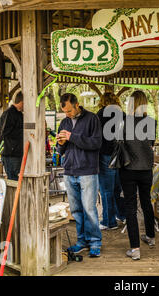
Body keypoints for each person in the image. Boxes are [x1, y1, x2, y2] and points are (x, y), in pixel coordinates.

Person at [56, 93, 103, 257]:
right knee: (76, 211)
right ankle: (82, 241)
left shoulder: (92, 119)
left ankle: (95, 242)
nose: (67, 114)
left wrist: (72, 136)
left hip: (88, 171)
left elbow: (96, 143)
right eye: (65, 111)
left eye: (69, 111)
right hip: (69, 171)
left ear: (77, 105)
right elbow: (60, 149)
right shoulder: (64, 122)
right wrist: (61, 144)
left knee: (89, 209)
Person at [119, 90, 156, 261]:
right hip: (146, 169)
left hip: (128, 169)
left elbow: (117, 143)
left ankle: (135, 249)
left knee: (131, 207)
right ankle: (150, 236)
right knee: (147, 201)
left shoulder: (123, 122)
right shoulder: (151, 122)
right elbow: (152, 143)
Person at [97, 92, 126, 230]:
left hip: (105, 155)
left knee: (106, 189)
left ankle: (109, 221)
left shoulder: (101, 114)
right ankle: (122, 215)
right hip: (121, 155)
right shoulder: (123, 115)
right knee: (118, 188)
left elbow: (96, 136)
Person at [0, 91, 23, 181]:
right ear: (22, 102)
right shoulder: (9, 113)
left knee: (17, 178)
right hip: (10, 154)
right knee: (13, 179)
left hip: (16, 153)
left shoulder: (19, 114)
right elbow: (5, 132)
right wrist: (23, 131)